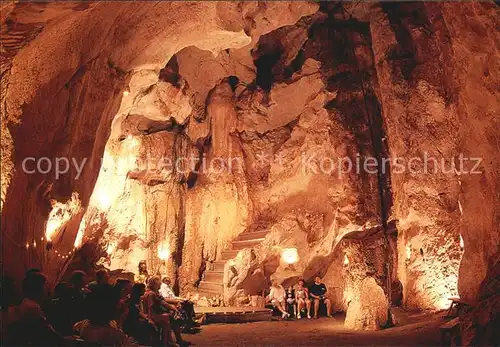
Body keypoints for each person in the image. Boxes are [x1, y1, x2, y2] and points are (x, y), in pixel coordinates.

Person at [6, 272, 66, 345]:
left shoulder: (27, 303)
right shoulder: (32, 308)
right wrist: (65, 341)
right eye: (45, 285)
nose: (48, 288)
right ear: (38, 287)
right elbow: (47, 332)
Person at [143, 276, 188, 346]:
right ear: (155, 284)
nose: (160, 286)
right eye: (159, 285)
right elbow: (152, 307)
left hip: (155, 313)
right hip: (152, 315)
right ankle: (171, 341)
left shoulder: (152, 292)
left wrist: (174, 304)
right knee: (170, 318)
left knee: (170, 316)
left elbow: (163, 301)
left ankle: (170, 341)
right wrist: (173, 308)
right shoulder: (151, 294)